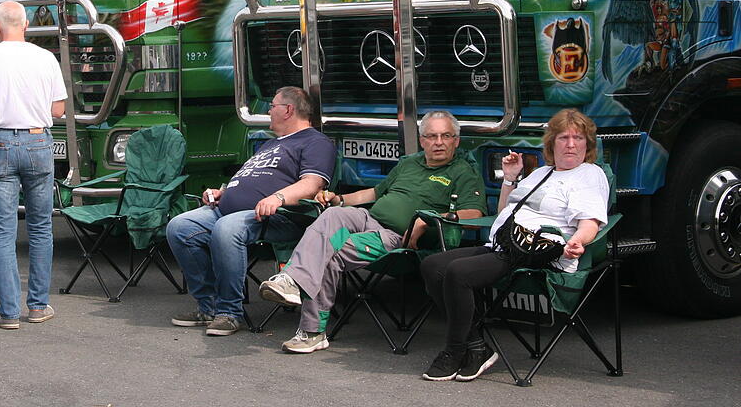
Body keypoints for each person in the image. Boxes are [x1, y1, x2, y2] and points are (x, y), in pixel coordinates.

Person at [259, 111, 487, 354]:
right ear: (422, 140)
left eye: (446, 136)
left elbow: (475, 216)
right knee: (331, 215)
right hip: (369, 218)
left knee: (330, 249)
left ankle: (312, 330)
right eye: (431, 136)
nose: (438, 142)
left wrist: (428, 220)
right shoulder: (409, 163)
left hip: (395, 238)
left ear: (456, 140)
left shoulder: (463, 172)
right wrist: (338, 199)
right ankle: (291, 281)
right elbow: (374, 194)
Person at [418, 108, 609, 382]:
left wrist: (577, 242)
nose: (570, 144)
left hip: (533, 252)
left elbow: (590, 222)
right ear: (551, 144)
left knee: (458, 273)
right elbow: (503, 211)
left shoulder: (588, 175)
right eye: (563, 138)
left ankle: (455, 350)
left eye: (578, 138)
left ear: (587, 145)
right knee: (432, 265)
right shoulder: (542, 172)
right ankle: (476, 348)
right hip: (505, 243)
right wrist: (510, 177)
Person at [165, 86, 336, 337]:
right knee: (179, 227)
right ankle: (208, 306)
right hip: (227, 209)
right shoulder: (270, 144)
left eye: (272, 106)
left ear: (288, 110)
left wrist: (278, 197)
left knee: (227, 228)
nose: (268, 111)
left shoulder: (315, 142)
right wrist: (223, 192)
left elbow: (312, 185)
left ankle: (229, 312)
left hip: (278, 216)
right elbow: (250, 178)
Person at [0, 1, 67, 329]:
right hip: (38, 141)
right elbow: (59, 110)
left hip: (0, 143)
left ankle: (8, 313)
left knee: (3, 231)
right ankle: (38, 305)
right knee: (40, 227)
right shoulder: (45, 58)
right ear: (26, 25)